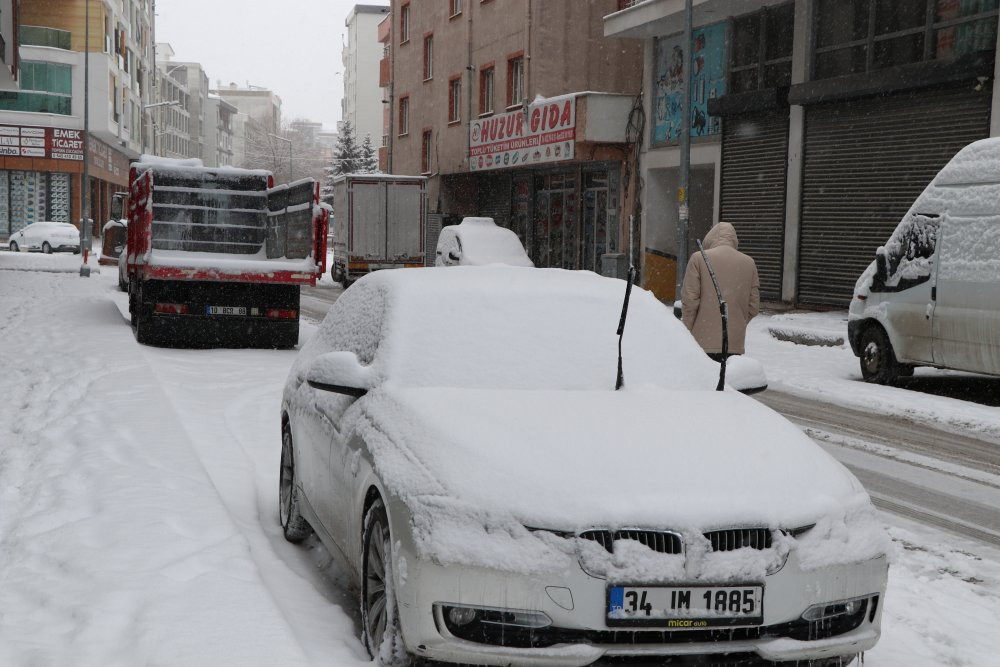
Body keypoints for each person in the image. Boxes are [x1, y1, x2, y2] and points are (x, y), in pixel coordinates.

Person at [680, 222, 759, 361]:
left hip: (702, 342)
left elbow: (690, 301)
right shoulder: (749, 262)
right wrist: (735, 325)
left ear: (710, 238)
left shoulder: (699, 258)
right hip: (733, 344)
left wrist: (686, 332)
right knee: (728, 375)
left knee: (704, 375)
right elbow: (753, 307)